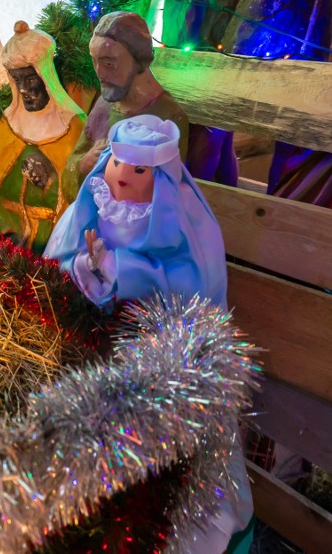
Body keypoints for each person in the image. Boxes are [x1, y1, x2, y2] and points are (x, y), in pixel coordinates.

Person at [45, 115, 254, 554]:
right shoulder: (96, 200)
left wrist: (124, 270)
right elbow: (64, 253)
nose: (121, 177)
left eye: (137, 170)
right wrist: (86, 268)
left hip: (162, 352)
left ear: (157, 174)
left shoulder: (186, 219)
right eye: (116, 163)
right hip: (100, 338)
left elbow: (192, 282)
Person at [0, 21, 86, 253]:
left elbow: (84, 194)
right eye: (17, 80)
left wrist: (50, 182)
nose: (23, 89)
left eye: (30, 79)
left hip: (51, 242)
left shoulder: (73, 127)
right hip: (6, 234)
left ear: (44, 76)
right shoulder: (8, 124)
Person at [61, 11, 189, 205]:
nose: (99, 73)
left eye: (109, 63)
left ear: (140, 60)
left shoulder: (167, 118)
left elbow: (166, 196)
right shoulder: (105, 104)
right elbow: (73, 162)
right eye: (94, 61)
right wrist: (83, 163)